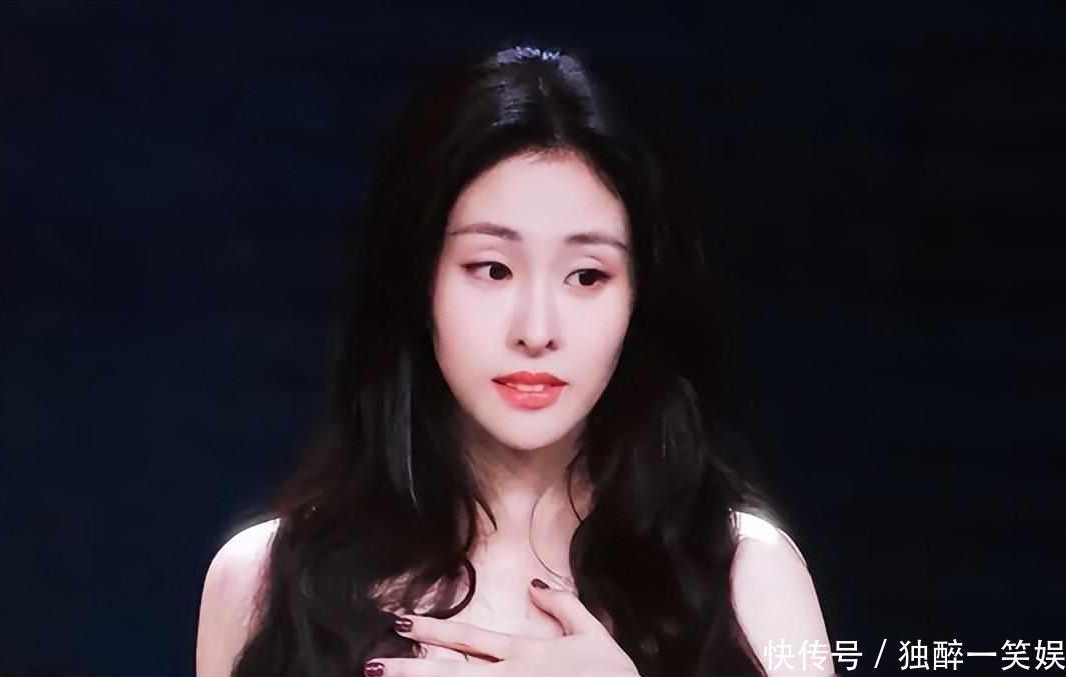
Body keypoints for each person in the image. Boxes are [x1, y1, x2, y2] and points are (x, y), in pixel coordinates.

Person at [196, 43, 833, 677]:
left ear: (639, 295)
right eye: (493, 269)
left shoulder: (750, 580)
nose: (536, 331)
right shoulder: (263, 584)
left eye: (586, 276)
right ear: (419, 281)